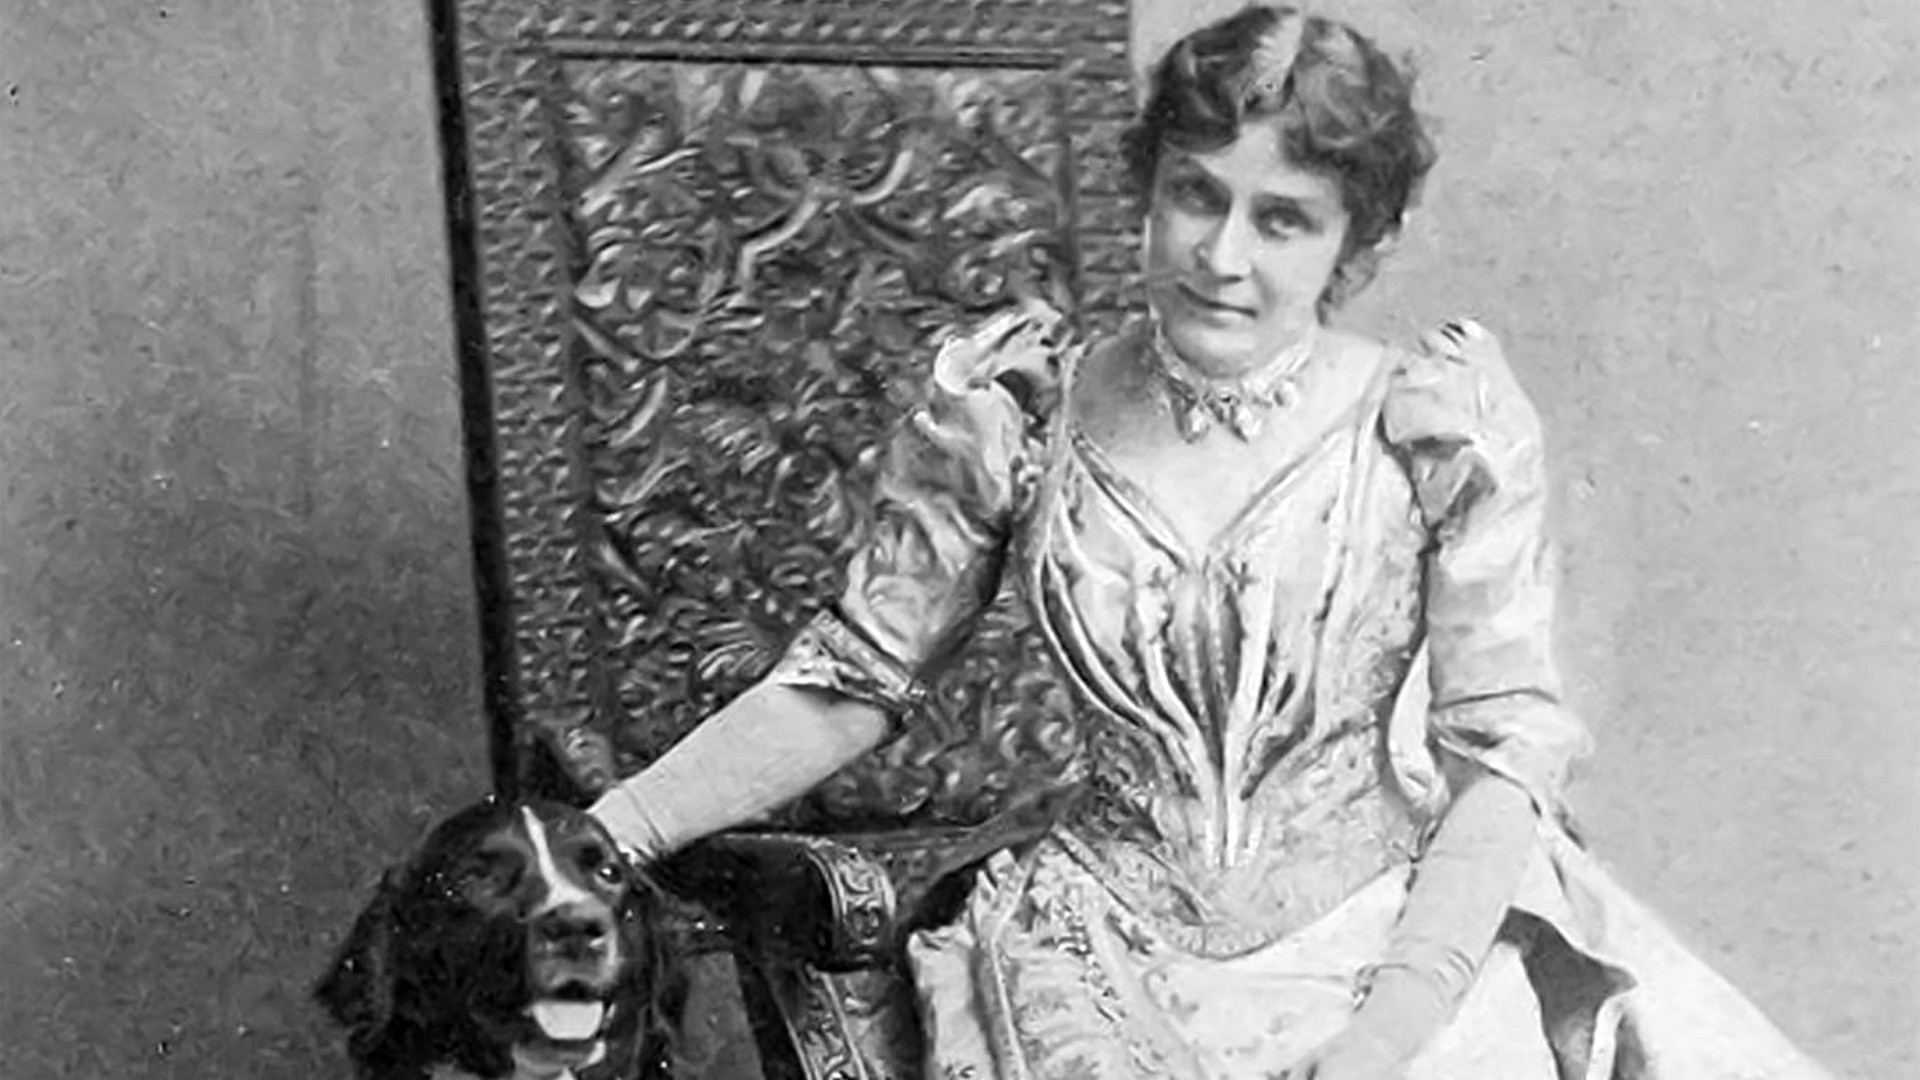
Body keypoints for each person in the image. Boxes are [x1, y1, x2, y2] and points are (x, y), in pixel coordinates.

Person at [592, 6, 1837, 1077]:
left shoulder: (1431, 429)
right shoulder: (1021, 410)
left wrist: (1387, 1031)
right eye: (1196, 195)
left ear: (1364, 241)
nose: (1222, 258)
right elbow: (854, 678)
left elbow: (1504, 763)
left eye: (1283, 219)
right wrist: (612, 834)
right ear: (1151, 186)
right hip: (1093, 949)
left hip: (1392, 944)